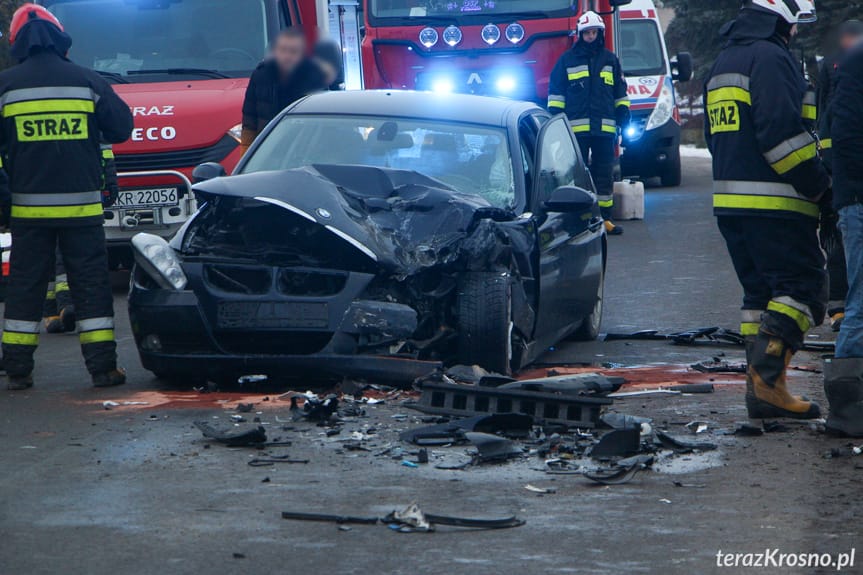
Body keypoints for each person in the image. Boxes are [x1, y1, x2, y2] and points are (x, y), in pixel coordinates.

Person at [704, 0, 829, 420]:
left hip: (732, 206)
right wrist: (820, 186)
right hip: (777, 205)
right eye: (795, 24)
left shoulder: (725, 60)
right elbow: (780, 134)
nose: (796, 33)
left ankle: (761, 390)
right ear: (782, 16)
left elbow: (714, 137)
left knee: (760, 298)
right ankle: (768, 385)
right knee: (803, 290)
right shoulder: (771, 58)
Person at [0, 4, 133, 390]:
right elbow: (121, 128)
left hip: (28, 214)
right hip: (82, 213)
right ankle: (103, 370)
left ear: (16, 43)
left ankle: (18, 370)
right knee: (91, 287)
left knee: (25, 288)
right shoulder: (87, 81)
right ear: (61, 39)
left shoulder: (5, 87)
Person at [548, 11, 630, 235]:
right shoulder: (566, 61)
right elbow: (556, 93)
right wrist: (556, 117)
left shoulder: (610, 60)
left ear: (600, 34)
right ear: (580, 34)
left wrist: (623, 111)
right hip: (576, 131)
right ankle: (579, 220)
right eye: (587, 33)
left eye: (594, 32)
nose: (591, 36)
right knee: (577, 175)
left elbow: (620, 91)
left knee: (604, 173)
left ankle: (604, 220)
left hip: (604, 129)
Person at [823, 30, 863, 437]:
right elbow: (846, 137)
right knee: (862, 303)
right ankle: (846, 408)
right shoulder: (856, 64)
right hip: (859, 199)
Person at [817, 21, 863, 332]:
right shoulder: (836, 70)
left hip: (841, 172)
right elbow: (827, 118)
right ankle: (840, 308)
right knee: (837, 238)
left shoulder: (839, 69)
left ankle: (842, 310)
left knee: (840, 237)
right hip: (843, 173)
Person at [240, 27, 336, 153]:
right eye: (283, 50)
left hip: (301, 152)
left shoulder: (314, 78)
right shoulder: (260, 75)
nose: (287, 56)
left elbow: (323, 124)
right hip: (267, 150)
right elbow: (249, 120)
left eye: (293, 51)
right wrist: (246, 153)